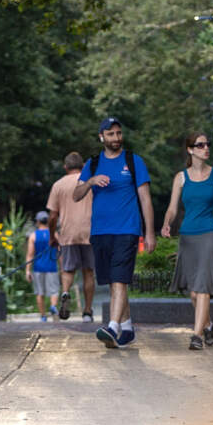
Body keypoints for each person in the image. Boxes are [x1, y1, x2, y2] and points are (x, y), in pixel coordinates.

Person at [73, 116, 154, 349]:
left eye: (118, 133)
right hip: (100, 231)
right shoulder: (93, 163)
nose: (116, 138)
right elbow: (76, 195)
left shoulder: (134, 161)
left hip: (127, 230)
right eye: (111, 134)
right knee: (112, 281)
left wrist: (149, 233)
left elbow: (145, 200)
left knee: (120, 278)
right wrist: (91, 182)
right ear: (102, 137)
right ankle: (127, 327)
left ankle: (113, 327)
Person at [158, 131, 213, 351]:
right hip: (188, 236)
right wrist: (167, 223)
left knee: (203, 288)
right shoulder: (180, 178)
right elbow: (173, 208)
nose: (206, 148)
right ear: (190, 150)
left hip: (209, 235)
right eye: (201, 145)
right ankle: (209, 324)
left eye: (207, 144)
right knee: (194, 292)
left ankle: (196, 336)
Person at [45, 151, 95, 322]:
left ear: (65, 167)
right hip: (90, 232)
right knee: (88, 272)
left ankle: (65, 293)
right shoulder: (90, 183)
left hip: (67, 233)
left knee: (67, 270)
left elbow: (52, 216)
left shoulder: (58, 185)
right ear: (82, 166)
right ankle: (87, 312)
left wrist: (52, 236)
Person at [25, 210, 61, 320]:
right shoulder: (54, 234)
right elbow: (60, 252)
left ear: (37, 222)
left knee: (40, 293)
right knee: (54, 291)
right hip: (52, 267)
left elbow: (30, 255)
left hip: (38, 268)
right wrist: (62, 267)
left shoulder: (33, 236)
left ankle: (43, 316)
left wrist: (27, 270)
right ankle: (53, 306)